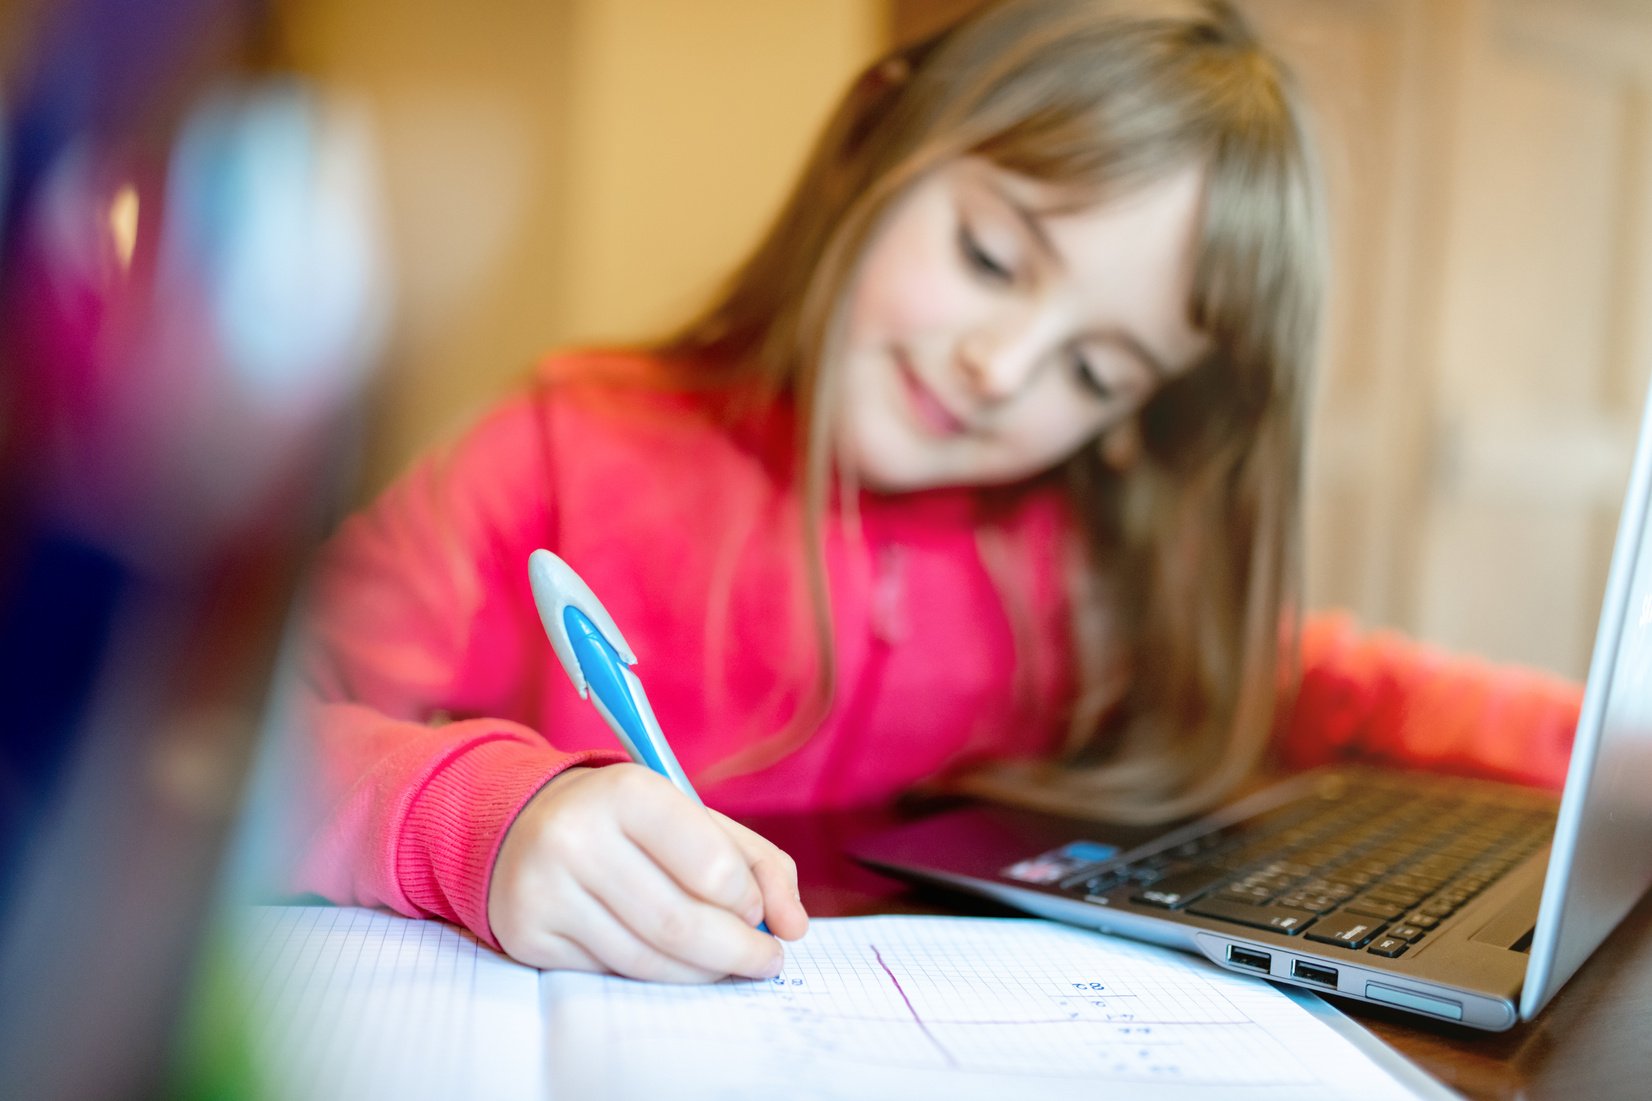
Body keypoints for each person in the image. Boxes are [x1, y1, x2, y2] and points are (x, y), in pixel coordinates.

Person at [288, 0, 1582, 985]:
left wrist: (1605, 747)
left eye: (1093, 367)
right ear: (883, 139)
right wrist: (482, 818)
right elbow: (229, 744)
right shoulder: (559, 450)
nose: (999, 369)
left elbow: (1321, 679)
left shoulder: (1077, 558)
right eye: (988, 255)